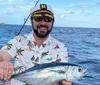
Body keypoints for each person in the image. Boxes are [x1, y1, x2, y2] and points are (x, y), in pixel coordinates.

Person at [0, 4, 72, 85]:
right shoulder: (19, 40)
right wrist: (2, 63)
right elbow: (2, 55)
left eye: (48, 19)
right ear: (31, 21)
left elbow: (61, 75)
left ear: (53, 22)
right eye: (38, 18)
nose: (43, 23)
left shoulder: (61, 48)